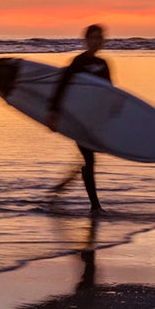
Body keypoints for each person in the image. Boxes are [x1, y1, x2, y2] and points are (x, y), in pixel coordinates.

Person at [45, 23, 110, 215]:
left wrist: (109, 119)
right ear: (86, 40)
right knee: (89, 160)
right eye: (93, 38)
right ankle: (95, 206)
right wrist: (53, 112)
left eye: (100, 38)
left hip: (95, 120)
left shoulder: (103, 65)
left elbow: (109, 94)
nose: (96, 41)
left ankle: (62, 187)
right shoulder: (77, 62)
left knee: (88, 160)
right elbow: (62, 87)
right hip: (79, 119)